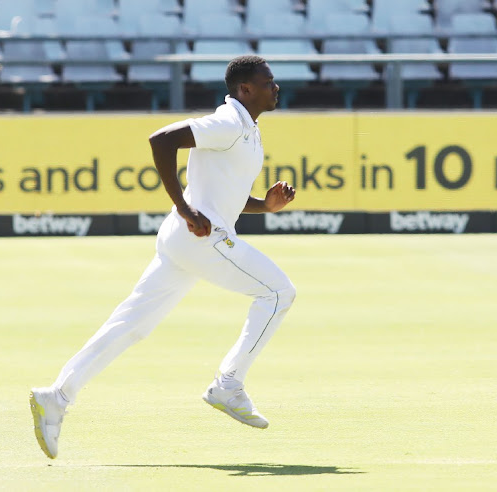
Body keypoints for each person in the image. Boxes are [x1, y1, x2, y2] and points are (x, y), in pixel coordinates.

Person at [29, 55, 297, 459]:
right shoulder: (227, 123)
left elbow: (223, 196)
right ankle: (228, 384)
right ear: (245, 89)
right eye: (267, 81)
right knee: (279, 292)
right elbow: (161, 140)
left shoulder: (247, 128)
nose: (275, 87)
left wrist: (266, 205)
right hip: (201, 238)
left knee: (130, 324)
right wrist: (185, 209)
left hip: (183, 240)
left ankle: (57, 396)